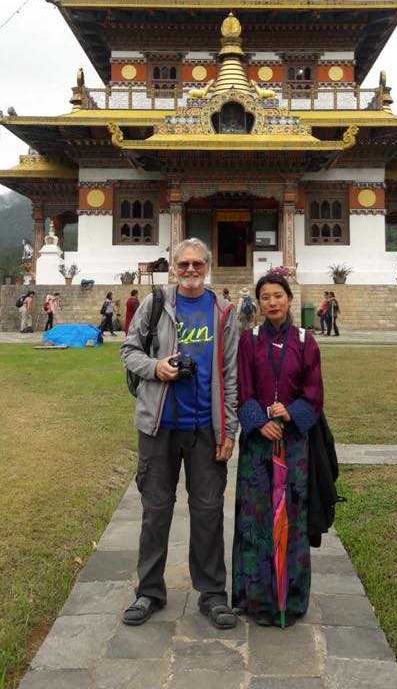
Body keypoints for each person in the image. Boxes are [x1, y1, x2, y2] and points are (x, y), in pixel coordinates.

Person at [120, 238, 239, 629]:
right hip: (160, 426)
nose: (190, 271)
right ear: (173, 267)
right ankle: (149, 591)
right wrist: (157, 368)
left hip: (206, 427)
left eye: (197, 265)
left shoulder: (223, 312)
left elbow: (231, 375)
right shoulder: (156, 305)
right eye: (183, 264)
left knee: (207, 511)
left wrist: (230, 430)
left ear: (208, 266)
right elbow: (128, 351)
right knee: (156, 510)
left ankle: (212, 594)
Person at [232, 272, 323, 627]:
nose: (272, 302)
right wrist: (259, 422)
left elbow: (314, 394)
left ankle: (292, 598)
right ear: (258, 303)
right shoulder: (248, 341)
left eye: (278, 296)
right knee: (255, 519)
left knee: (292, 519)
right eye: (265, 297)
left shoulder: (306, 341)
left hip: (294, 443)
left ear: (289, 299)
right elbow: (243, 389)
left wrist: (290, 413)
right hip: (258, 444)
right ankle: (256, 598)